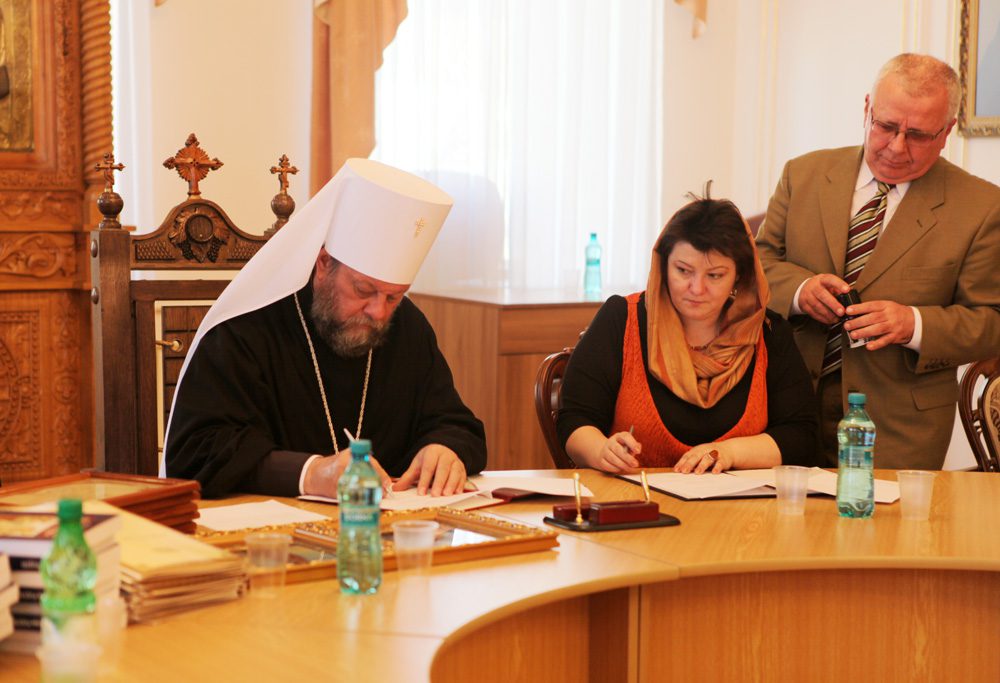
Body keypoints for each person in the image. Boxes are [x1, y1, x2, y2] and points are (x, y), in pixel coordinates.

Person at [164, 158, 487, 498]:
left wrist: (445, 448)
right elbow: (197, 451)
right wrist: (311, 474)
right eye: (363, 290)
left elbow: (455, 424)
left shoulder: (408, 328)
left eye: (393, 296)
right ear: (323, 264)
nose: (379, 312)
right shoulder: (247, 327)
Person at [756, 53, 1000, 469]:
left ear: (947, 132)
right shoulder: (803, 174)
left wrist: (913, 324)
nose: (896, 146)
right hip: (785, 405)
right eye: (885, 126)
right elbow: (757, 264)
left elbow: (991, 322)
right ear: (867, 108)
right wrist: (799, 291)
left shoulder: (983, 207)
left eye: (918, 135)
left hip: (899, 426)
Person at [557, 194, 820, 474]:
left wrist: (730, 453)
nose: (696, 288)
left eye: (714, 275)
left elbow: (801, 436)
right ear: (663, 265)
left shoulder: (767, 333)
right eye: (683, 271)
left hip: (739, 500)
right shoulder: (622, 319)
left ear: (739, 275)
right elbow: (574, 419)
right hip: (635, 496)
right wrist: (601, 450)